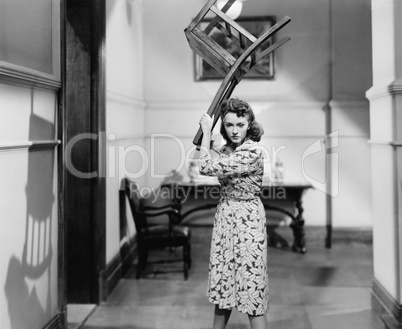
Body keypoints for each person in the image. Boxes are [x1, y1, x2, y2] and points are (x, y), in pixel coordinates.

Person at [198, 98, 269, 329]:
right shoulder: (232, 149)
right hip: (226, 216)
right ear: (224, 127)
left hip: (248, 219)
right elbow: (214, 155)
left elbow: (206, 167)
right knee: (223, 283)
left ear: (249, 124)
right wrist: (208, 142)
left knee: (252, 287)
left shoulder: (252, 152)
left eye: (240, 124)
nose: (235, 130)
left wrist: (206, 133)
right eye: (229, 125)